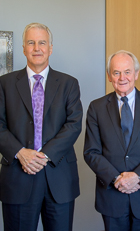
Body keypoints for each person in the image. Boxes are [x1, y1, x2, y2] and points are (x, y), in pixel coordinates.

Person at [0, 23, 83, 231]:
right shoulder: (4, 84)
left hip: (59, 178)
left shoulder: (68, 84)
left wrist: (44, 155)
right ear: (23, 48)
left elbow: (73, 124)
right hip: (18, 177)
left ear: (50, 48)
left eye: (42, 42)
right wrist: (20, 153)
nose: (37, 48)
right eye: (31, 42)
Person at [84, 50, 140, 231]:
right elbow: (91, 152)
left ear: (136, 74)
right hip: (112, 197)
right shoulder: (96, 108)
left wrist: (137, 177)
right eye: (116, 72)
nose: (122, 77)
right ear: (109, 76)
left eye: (127, 71)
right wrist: (117, 179)